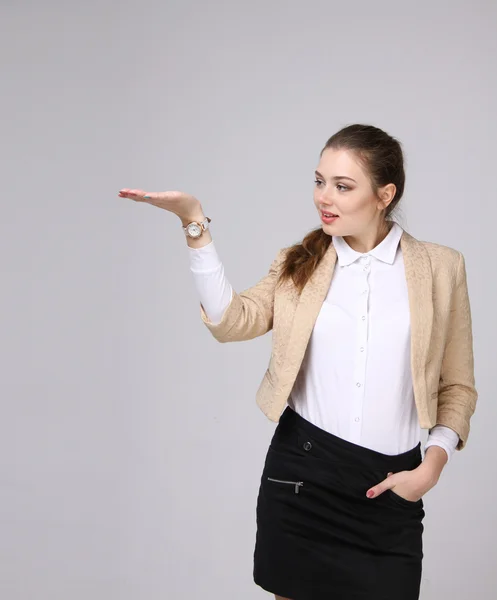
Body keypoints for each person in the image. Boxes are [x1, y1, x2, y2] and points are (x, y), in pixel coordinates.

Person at [118, 123, 478, 600]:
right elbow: (231, 322)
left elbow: (456, 385)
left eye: (342, 186)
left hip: (391, 483)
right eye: (319, 180)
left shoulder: (441, 267)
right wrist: (194, 224)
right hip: (302, 478)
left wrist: (431, 466)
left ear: (384, 194)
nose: (323, 197)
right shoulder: (298, 263)